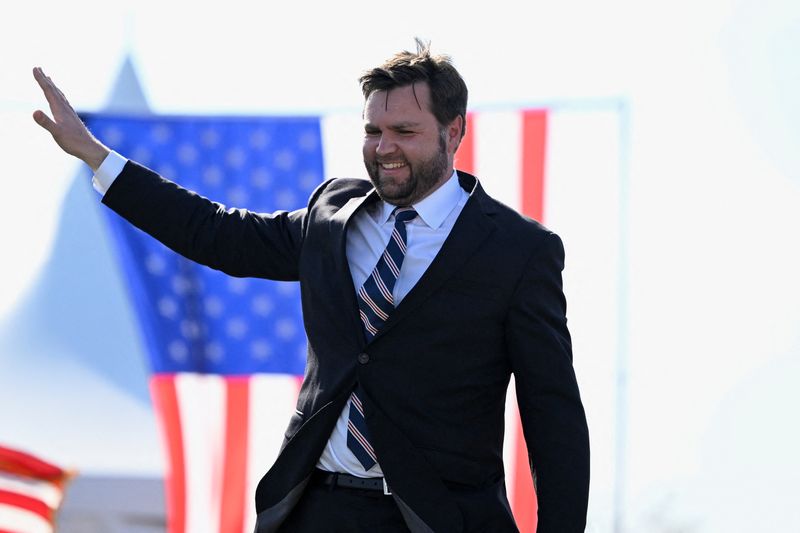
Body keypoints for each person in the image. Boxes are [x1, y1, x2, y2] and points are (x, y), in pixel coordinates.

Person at [33, 40, 590, 533]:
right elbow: (217, 234)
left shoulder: (520, 251)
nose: (384, 147)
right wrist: (97, 158)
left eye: (404, 132)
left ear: (454, 132)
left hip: (437, 517)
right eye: (373, 130)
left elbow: (552, 413)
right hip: (313, 508)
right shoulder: (333, 215)